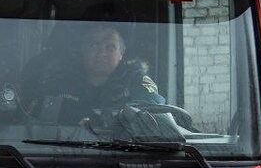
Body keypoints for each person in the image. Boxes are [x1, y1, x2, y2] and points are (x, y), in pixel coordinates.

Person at [26, 23, 165, 126]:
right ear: (82, 50)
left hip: (122, 157)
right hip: (63, 158)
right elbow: (33, 125)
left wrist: (106, 121)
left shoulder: (137, 80)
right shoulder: (59, 81)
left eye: (110, 46)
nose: (102, 53)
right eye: (93, 45)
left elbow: (153, 116)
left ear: (122, 53)